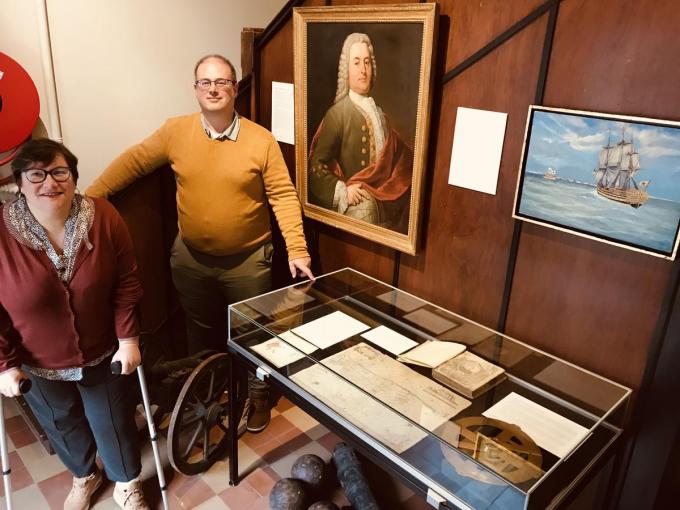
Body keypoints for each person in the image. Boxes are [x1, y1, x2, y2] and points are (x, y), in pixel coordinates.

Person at [86, 54, 314, 433]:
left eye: (221, 82)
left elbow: (283, 196)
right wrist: (90, 200)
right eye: (205, 82)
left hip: (248, 261)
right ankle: (208, 389)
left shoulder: (261, 140)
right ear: (195, 90)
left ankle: (257, 396)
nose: (213, 89)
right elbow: (136, 161)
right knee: (201, 330)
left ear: (235, 89)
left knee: (254, 333)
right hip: (191, 260)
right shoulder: (176, 131)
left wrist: (298, 248)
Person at [0, 139, 148, 510]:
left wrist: (128, 339)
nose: (49, 182)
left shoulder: (103, 217)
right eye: (36, 174)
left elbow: (127, 283)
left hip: (102, 351)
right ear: (19, 181)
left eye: (59, 172)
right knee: (61, 422)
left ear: (74, 177)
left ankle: (126, 483)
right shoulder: (2, 233)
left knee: (112, 419)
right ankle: (85, 475)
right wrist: (5, 364)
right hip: (37, 358)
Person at [308, 33, 413, 233]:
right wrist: (343, 191)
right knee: (367, 211)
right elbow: (316, 167)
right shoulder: (337, 114)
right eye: (356, 63)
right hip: (359, 201)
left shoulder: (380, 114)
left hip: (385, 194)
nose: (363, 70)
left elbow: (398, 155)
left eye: (367, 63)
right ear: (346, 70)